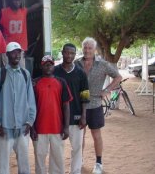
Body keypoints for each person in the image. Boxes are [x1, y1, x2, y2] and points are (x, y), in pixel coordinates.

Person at [76, 37, 122, 174]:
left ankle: (98, 163)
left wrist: (106, 90)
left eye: (90, 48)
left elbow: (118, 77)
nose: (87, 50)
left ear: (94, 49)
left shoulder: (102, 64)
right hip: (79, 105)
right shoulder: (76, 63)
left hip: (95, 104)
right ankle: (80, 160)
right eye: (85, 47)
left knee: (96, 135)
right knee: (80, 135)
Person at [0, 42, 36, 174]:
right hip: (5, 127)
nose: (17, 55)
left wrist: (30, 121)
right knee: (4, 166)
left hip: (22, 127)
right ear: (7, 54)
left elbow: (30, 100)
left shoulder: (25, 74)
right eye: (14, 52)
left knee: (24, 164)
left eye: (19, 52)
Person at [31, 55, 72, 174]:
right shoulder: (35, 83)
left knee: (58, 160)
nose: (48, 67)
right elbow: (31, 107)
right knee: (39, 160)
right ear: (41, 66)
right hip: (39, 129)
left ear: (54, 66)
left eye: (50, 64)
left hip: (57, 128)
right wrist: (32, 128)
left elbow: (66, 105)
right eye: (46, 64)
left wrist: (66, 127)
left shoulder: (61, 82)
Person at [54, 43, 90, 174]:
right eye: (66, 52)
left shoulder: (80, 73)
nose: (69, 55)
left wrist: (84, 116)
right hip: (58, 118)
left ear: (75, 55)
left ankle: (75, 171)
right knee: (58, 149)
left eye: (72, 53)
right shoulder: (55, 71)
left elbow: (85, 95)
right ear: (62, 52)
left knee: (77, 148)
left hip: (76, 117)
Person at [0, 0, 42, 66]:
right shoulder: (4, 12)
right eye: (15, 0)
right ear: (11, 0)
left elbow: (40, 3)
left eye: (19, 0)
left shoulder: (23, 11)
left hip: (20, 48)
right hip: (7, 48)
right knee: (8, 71)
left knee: (21, 71)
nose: (17, 2)